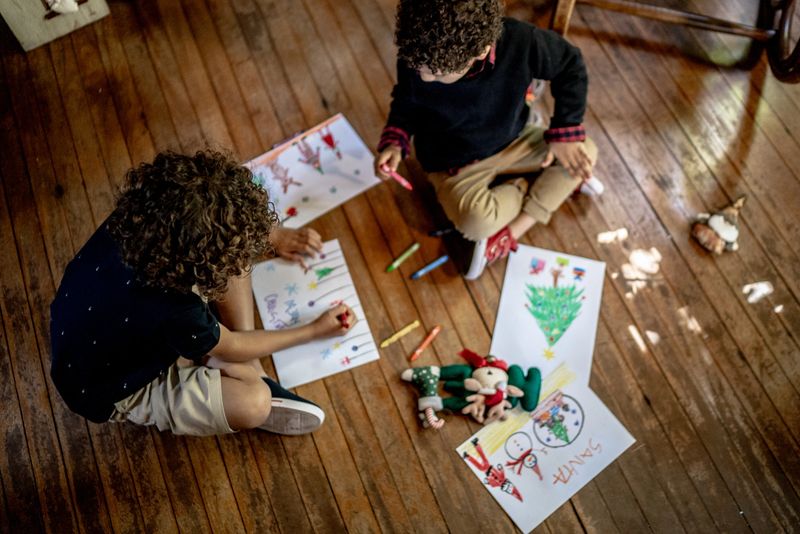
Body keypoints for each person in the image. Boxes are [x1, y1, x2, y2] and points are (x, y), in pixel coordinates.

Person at [50, 150, 357, 436]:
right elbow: (232, 344)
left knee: (231, 244)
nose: (252, 254)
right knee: (255, 402)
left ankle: (234, 363)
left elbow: (218, 223)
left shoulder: (144, 215)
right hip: (112, 388)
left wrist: (276, 235)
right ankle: (238, 369)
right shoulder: (178, 310)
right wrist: (313, 330)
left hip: (90, 322)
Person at [374, 0, 598, 280]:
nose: (424, 76)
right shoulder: (420, 50)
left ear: (479, 52)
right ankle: (526, 186)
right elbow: (407, 102)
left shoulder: (521, 41)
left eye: (438, 72)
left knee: (585, 151)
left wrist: (565, 131)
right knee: (475, 221)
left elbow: (570, 64)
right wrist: (395, 141)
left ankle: (513, 230)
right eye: (417, 66)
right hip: (454, 165)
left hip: (514, 141)